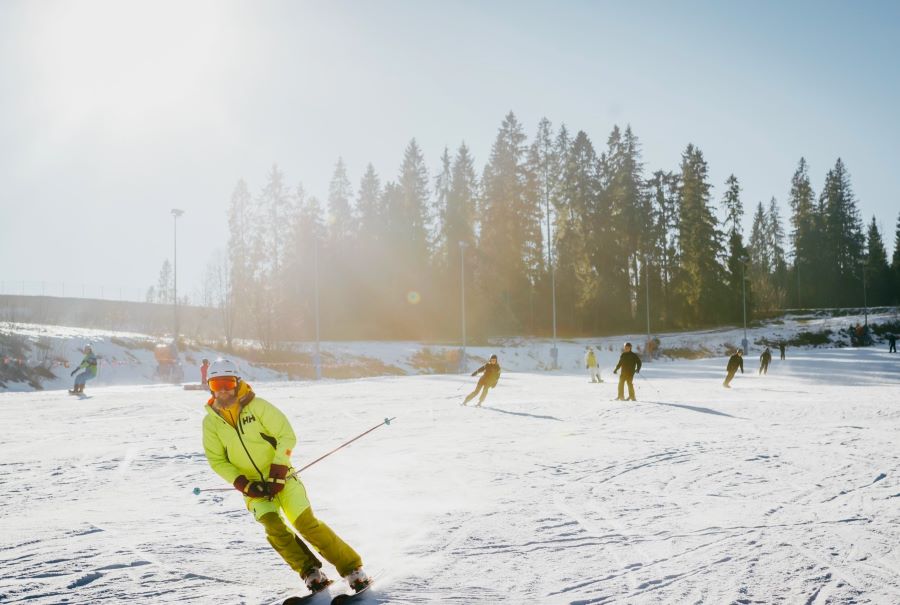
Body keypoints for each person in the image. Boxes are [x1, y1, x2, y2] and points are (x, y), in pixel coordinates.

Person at [201, 359, 369, 595]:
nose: (223, 389)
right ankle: (311, 573)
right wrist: (243, 484)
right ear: (210, 386)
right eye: (217, 384)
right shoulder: (211, 423)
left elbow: (286, 436)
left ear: (237, 382)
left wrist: (278, 471)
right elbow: (217, 460)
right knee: (274, 528)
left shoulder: (258, 407)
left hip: (284, 480)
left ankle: (353, 570)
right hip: (254, 489)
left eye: (227, 382)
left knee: (306, 525)